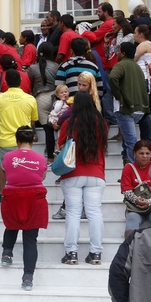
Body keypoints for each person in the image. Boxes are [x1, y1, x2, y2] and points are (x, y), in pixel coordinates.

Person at [57, 91, 107, 265]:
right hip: (96, 173)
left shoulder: (69, 124)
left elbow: (60, 144)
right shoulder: (101, 123)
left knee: (73, 212)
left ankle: (71, 252)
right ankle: (96, 253)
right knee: (94, 212)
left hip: (72, 173)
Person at [0, 126, 48, 291]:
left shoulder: (8, 157)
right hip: (34, 199)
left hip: (13, 195)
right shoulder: (41, 158)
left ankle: (7, 253)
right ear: (33, 140)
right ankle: (28, 277)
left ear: (17, 140)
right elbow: (42, 177)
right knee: (30, 239)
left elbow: (5, 172)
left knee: (11, 225)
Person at [0, 69, 39, 198]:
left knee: (3, 166)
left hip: (6, 139)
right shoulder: (30, 99)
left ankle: (2, 192)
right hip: (25, 138)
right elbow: (33, 120)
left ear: (6, 82)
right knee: (25, 167)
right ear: (20, 81)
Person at [109, 42, 151, 162]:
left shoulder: (121, 65)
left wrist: (118, 95)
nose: (117, 53)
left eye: (118, 51)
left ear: (123, 53)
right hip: (139, 109)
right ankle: (128, 164)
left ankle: (134, 171)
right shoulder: (138, 67)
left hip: (125, 108)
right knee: (128, 137)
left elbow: (112, 77)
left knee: (131, 141)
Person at [121, 140, 151, 237]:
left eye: (147, 153)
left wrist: (149, 202)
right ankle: (130, 249)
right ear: (134, 154)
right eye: (141, 153)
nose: (145, 156)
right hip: (134, 207)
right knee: (132, 220)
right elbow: (126, 190)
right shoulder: (128, 168)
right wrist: (137, 200)